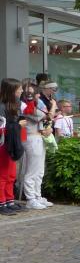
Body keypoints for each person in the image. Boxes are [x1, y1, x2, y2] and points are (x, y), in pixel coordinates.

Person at [20, 81, 53, 209]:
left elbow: (47, 118)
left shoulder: (35, 104)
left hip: (38, 137)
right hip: (31, 137)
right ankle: (30, 198)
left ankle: (37, 196)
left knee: (39, 170)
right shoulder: (25, 106)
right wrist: (53, 107)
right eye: (35, 93)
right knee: (32, 171)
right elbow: (45, 116)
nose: (38, 96)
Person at [0, 78, 24, 215]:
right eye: (19, 89)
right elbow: (2, 128)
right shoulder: (2, 107)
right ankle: (1, 202)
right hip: (3, 144)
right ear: (11, 91)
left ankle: (9, 200)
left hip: (12, 143)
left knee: (11, 175)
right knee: (2, 175)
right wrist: (18, 125)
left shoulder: (15, 104)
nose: (21, 91)